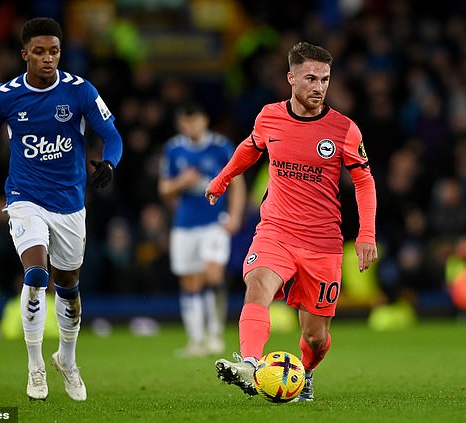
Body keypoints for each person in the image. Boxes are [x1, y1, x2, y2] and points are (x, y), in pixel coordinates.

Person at [205, 41, 377, 401]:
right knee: (257, 286)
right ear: (291, 78)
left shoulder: (345, 130)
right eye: (311, 78)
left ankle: (307, 371)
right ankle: (250, 364)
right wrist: (222, 179)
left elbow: (364, 181)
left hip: (323, 243)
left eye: (325, 80)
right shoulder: (269, 116)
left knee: (315, 336)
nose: (319, 87)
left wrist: (366, 234)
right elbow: (250, 148)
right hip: (276, 231)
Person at [0, 17, 123, 401]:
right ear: (25, 54)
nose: (48, 58)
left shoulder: (80, 91)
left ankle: (66, 360)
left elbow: (111, 135)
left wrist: (109, 163)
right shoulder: (3, 96)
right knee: (36, 275)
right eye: (39, 52)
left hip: (69, 202)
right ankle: (35, 365)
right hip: (24, 197)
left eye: (53, 51)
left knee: (68, 284)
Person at [159, 102, 246, 357]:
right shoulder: (174, 149)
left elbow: (237, 181)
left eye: (195, 120)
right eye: (186, 122)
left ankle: (215, 335)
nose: (191, 126)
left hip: (214, 221)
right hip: (185, 224)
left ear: (204, 121)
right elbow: (164, 189)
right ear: (181, 124)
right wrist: (180, 182)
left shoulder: (220, 146)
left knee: (213, 274)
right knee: (190, 281)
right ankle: (195, 341)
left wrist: (235, 215)